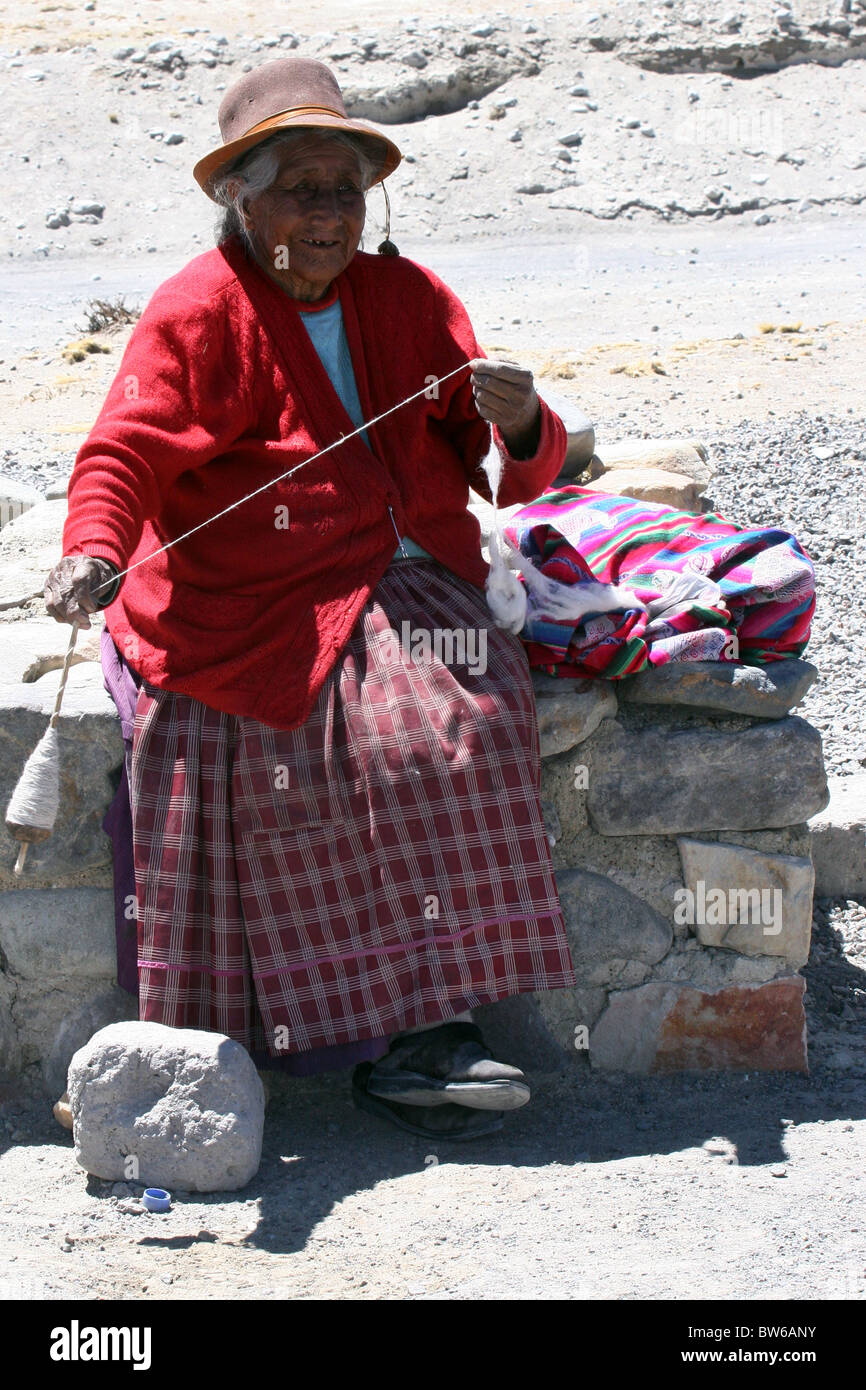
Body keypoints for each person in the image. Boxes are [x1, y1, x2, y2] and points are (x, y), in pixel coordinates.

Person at [44, 56, 576, 1140]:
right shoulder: (195, 311)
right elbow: (121, 454)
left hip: (404, 564)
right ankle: (285, 1043)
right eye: (304, 190)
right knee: (304, 741)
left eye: (347, 190)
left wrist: (519, 419)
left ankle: (431, 1034)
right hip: (253, 590)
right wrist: (91, 552)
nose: (331, 215)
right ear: (242, 198)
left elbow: (504, 452)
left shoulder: (407, 296)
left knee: (458, 719)